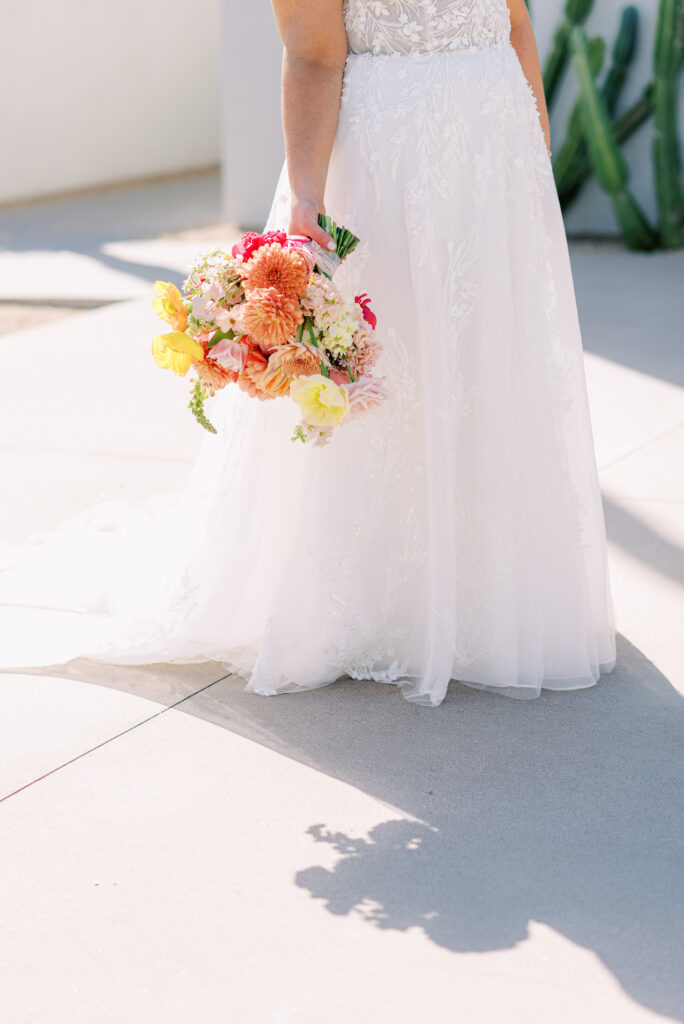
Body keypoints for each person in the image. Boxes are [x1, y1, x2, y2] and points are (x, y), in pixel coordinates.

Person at [0, 0, 616, 707]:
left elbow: (513, 22)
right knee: (387, 372)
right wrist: (308, 198)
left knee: (482, 366)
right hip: (390, 160)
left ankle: (492, 597)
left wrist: (530, 157)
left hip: (492, 156)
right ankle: (372, 603)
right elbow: (317, 54)